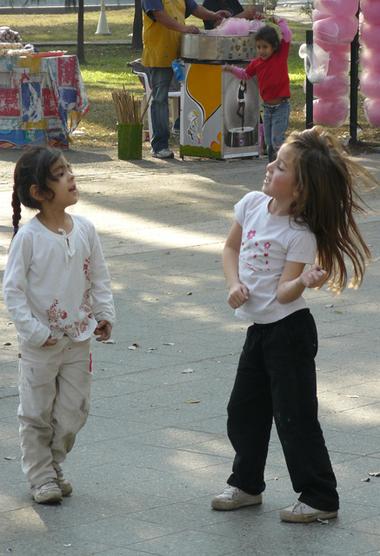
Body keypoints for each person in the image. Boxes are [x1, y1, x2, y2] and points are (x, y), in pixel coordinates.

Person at [211, 126, 376, 523]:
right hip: (260, 330)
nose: (269, 167)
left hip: (289, 332)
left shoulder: (298, 233)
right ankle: (246, 484)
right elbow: (230, 247)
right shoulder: (251, 204)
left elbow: (285, 292)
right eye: (275, 159)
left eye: (281, 166)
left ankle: (320, 496)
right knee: (243, 410)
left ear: (299, 190)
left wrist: (301, 282)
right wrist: (234, 284)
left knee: (294, 416)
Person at [2, 146, 115, 504]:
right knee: (36, 413)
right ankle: (41, 477)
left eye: (70, 169)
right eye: (61, 173)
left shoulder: (85, 229)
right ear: (39, 192)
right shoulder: (29, 239)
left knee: (72, 413)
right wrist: (35, 332)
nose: (72, 176)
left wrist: (104, 313)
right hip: (41, 345)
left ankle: (52, 462)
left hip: (78, 340)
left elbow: (99, 276)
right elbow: (13, 291)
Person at [142, 0, 230, 159]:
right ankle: (159, 146)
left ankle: (193, 138)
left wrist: (213, 15)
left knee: (192, 95)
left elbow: (195, 8)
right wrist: (184, 28)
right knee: (160, 98)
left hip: (180, 51)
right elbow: (159, 15)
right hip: (159, 51)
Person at [224, 18, 292, 162]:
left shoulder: (280, 56)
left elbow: (287, 35)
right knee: (268, 143)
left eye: (265, 47)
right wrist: (231, 69)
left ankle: (284, 165)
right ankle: (273, 167)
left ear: (274, 46)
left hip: (281, 107)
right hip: (267, 109)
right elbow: (245, 74)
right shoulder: (256, 63)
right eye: (259, 47)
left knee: (277, 141)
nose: (261, 51)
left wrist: (279, 21)